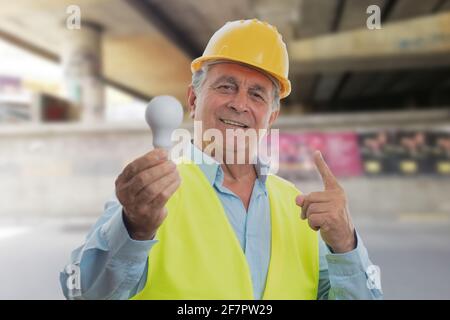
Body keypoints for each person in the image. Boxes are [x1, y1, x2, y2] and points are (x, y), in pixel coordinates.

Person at [60, 19, 383, 300]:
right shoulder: (148, 196)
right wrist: (134, 229)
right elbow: (85, 293)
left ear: (271, 116)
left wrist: (345, 245)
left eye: (256, 94)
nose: (240, 105)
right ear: (193, 98)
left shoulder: (300, 209)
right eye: (226, 87)